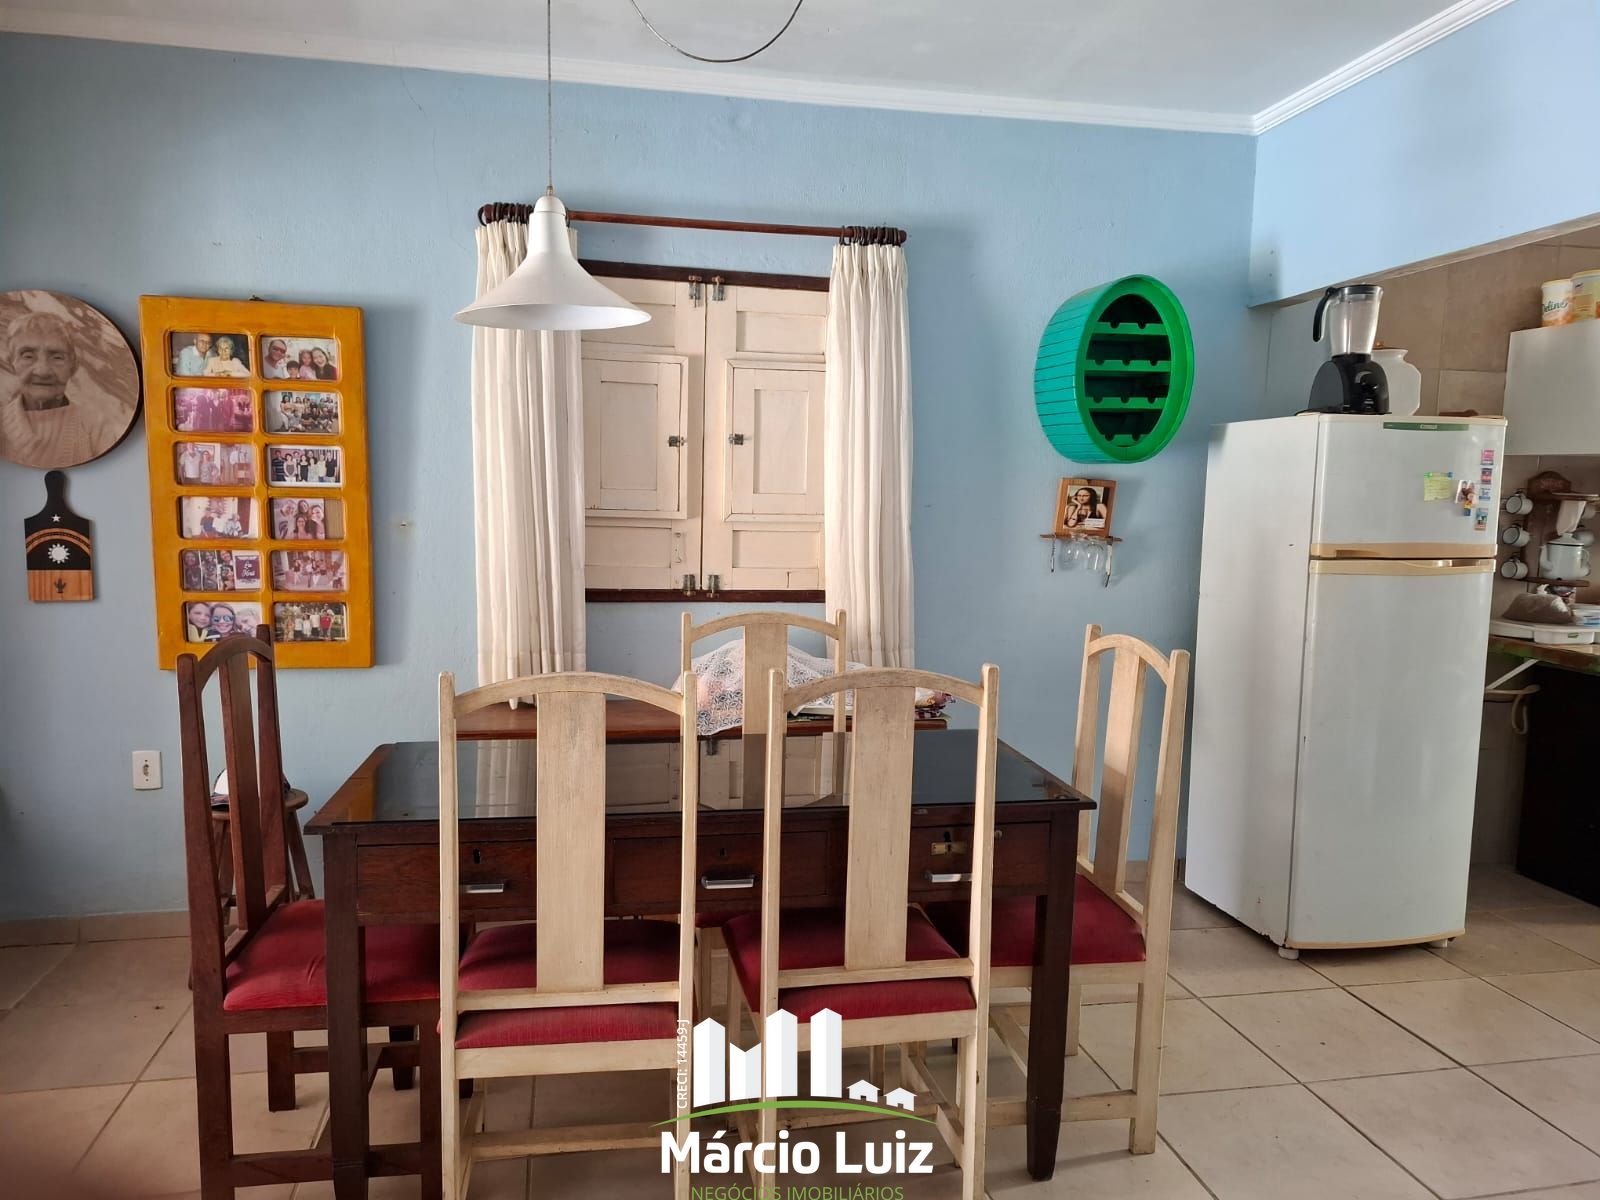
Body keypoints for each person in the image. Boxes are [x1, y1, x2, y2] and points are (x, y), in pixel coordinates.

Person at [0, 311, 126, 469]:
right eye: (28, 356)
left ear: (73, 367)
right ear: (11, 363)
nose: (42, 371)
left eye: (57, 357)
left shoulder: (95, 427)